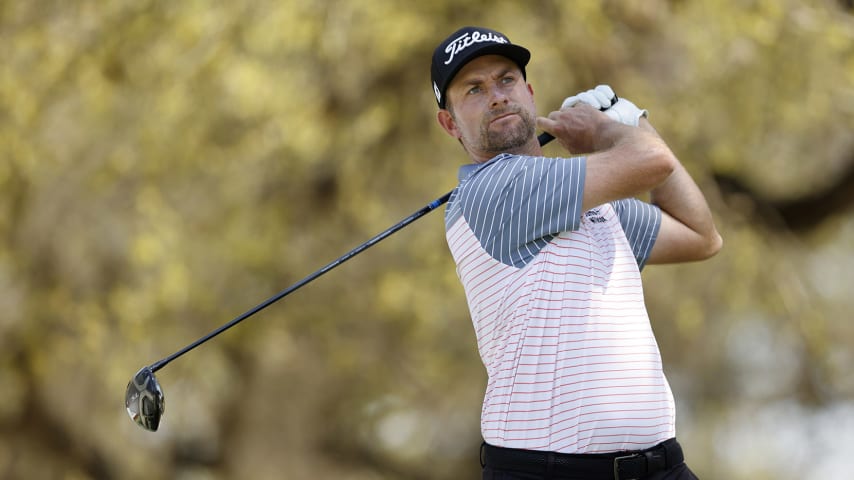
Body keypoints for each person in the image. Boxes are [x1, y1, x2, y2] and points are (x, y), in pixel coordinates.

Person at [430, 26, 722, 480]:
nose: (497, 97)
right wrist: (611, 128)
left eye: (506, 80)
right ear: (450, 123)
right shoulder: (490, 190)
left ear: (529, 93)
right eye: (474, 89)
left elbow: (700, 235)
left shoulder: (588, 199)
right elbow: (653, 162)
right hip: (549, 472)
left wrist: (636, 124)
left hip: (660, 466)